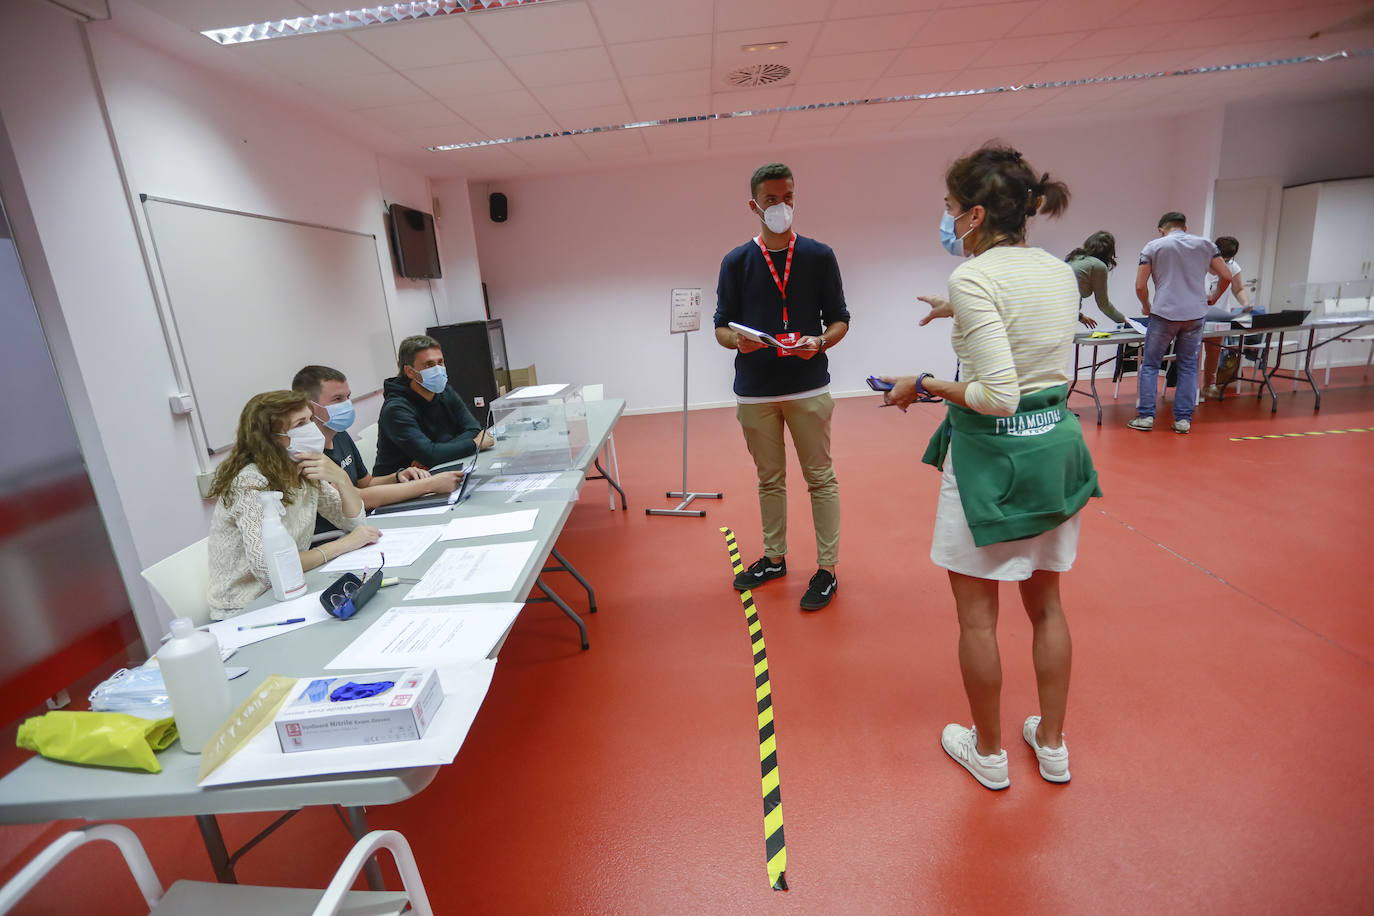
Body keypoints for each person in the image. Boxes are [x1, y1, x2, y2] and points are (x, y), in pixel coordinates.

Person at [882, 142, 1101, 790]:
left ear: (975, 215)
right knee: (1047, 604)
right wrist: (961, 313)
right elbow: (1027, 324)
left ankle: (988, 752)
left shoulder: (973, 278)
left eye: (950, 208)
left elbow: (995, 395)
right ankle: (1053, 746)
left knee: (978, 616)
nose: (946, 218)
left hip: (991, 458)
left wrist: (920, 384)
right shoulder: (1060, 271)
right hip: (1053, 450)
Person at [713, 162, 850, 611]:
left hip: (808, 386)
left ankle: (827, 569)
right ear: (754, 205)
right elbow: (720, 329)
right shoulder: (736, 262)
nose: (781, 206)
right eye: (771, 199)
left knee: (820, 479)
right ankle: (775, 558)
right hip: (755, 390)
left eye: (788, 197)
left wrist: (821, 340)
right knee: (769, 479)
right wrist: (741, 341)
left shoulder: (818, 255)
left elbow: (841, 320)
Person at [207, 390, 382, 619]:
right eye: (301, 423)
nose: (312, 428)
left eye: (310, 419)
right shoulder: (250, 482)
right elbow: (270, 569)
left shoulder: (302, 465)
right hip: (247, 607)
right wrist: (344, 545)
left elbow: (354, 522)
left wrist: (341, 478)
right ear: (271, 438)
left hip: (295, 587)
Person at [290, 365, 462, 532]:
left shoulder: (339, 434)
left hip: (365, 524)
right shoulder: (306, 451)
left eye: (348, 397)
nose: (347, 404)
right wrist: (429, 485)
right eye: (337, 399)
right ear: (310, 407)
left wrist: (398, 476)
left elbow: (367, 483)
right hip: (340, 535)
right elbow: (360, 498)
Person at [1128, 212, 1232, 433]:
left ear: (1161, 230)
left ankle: (1146, 417)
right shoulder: (1206, 245)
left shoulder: (1153, 246)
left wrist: (1146, 306)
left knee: (1150, 365)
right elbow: (1227, 276)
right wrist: (1213, 297)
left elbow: (1140, 285)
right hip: (1195, 314)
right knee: (1187, 366)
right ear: (1185, 228)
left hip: (1164, 313)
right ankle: (1183, 420)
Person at [374, 334, 494, 477]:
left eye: (440, 362)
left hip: (437, 471)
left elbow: (474, 428)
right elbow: (432, 455)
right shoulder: (396, 409)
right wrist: (475, 444)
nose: (438, 369)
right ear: (409, 372)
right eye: (429, 365)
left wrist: (437, 453)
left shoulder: (445, 391)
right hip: (400, 486)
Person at [1201, 236, 1255, 399]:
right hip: (1195, 313)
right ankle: (1189, 389)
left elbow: (1238, 289)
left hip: (1219, 315)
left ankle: (1209, 384)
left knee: (1214, 351)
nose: (1224, 262)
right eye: (1221, 258)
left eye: (1228, 259)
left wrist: (1245, 303)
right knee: (1192, 352)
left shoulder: (1233, 266)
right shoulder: (1200, 262)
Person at [1065, 231, 1125, 328]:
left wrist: (1079, 316)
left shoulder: (1075, 259)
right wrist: (1124, 320)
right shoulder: (1097, 265)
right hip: (1059, 314)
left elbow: (1066, 296)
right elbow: (1103, 304)